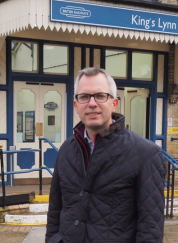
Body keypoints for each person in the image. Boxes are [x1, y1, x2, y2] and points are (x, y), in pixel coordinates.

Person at [45, 67, 166, 243]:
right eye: (84, 97)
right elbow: (55, 211)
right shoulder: (66, 150)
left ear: (114, 103)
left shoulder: (146, 154)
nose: (92, 103)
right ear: (76, 106)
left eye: (100, 96)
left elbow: (150, 230)